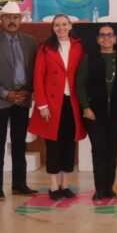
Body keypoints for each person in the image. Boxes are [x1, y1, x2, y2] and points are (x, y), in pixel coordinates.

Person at [0, 1, 38, 201]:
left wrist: (28, 90)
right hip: (0, 100)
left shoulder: (30, 42)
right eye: (8, 17)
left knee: (20, 143)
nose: (12, 21)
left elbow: (34, 70)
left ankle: (19, 184)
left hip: (23, 99)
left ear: (21, 19)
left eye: (16, 17)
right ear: (1, 19)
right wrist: (5, 93)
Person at [28, 14, 86, 201]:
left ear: (70, 26)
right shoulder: (45, 48)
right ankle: (53, 186)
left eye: (64, 24)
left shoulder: (79, 46)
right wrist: (42, 105)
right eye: (57, 25)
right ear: (52, 28)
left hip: (73, 102)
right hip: (52, 104)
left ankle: (65, 184)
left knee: (69, 143)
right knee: (53, 144)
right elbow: (38, 78)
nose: (61, 28)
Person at [76, 24, 117, 201]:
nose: (106, 38)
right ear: (98, 39)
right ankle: (99, 189)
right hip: (94, 111)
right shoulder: (89, 58)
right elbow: (80, 85)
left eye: (109, 35)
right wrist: (86, 107)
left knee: (112, 148)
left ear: (115, 39)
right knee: (98, 149)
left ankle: (109, 188)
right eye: (102, 35)